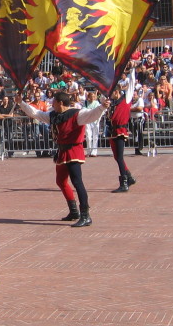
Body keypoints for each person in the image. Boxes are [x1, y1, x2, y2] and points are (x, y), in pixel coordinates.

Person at [18, 91, 109, 226]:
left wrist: (102, 107)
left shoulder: (77, 114)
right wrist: (21, 103)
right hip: (62, 151)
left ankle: (85, 215)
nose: (51, 104)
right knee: (61, 181)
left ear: (60, 103)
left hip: (73, 151)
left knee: (77, 182)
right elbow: (36, 113)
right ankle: (74, 211)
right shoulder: (54, 115)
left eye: (53, 101)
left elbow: (92, 115)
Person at [107, 66, 138, 192]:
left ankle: (124, 182)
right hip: (113, 131)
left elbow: (131, 84)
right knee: (117, 157)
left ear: (116, 92)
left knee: (119, 157)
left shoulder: (126, 98)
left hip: (121, 131)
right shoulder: (112, 103)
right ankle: (129, 177)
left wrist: (132, 71)